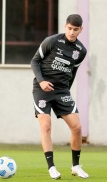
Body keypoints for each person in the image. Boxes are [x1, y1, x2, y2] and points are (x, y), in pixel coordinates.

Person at [31, 14, 89, 179]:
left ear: (80, 30)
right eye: (69, 28)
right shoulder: (52, 41)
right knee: (46, 126)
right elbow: (34, 62)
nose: (71, 32)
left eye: (75, 30)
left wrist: (66, 92)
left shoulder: (81, 51)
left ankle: (76, 166)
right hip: (42, 89)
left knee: (77, 128)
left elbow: (73, 73)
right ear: (65, 26)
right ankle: (51, 167)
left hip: (62, 91)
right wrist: (42, 82)